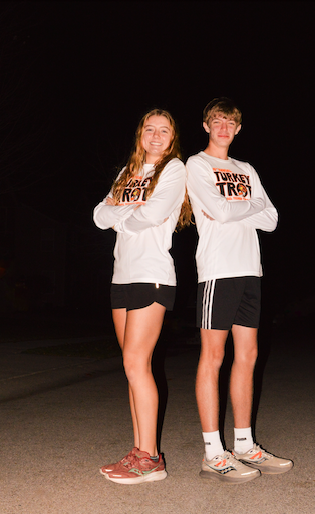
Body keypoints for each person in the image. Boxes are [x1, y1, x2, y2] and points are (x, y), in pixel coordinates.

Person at [186, 97, 293, 483]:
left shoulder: (245, 168)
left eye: (230, 122)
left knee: (247, 355)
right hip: (218, 270)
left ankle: (245, 445)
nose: (223, 127)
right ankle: (213, 452)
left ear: (238, 129)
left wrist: (238, 204)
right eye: (217, 121)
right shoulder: (197, 165)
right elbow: (229, 211)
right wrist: (248, 205)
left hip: (251, 270)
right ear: (206, 126)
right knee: (213, 357)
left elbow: (273, 219)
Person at [93, 108, 191, 484]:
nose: (155, 135)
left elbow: (150, 216)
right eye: (149, 129)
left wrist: (122, 213)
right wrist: (122, 211)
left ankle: (150, 458)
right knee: (133, 368)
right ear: (140, 135)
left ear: (172, 139)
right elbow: (99, 216)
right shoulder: (127, 173)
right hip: (123, 275)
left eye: (163, 130)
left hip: (152, 274)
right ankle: (139, 451)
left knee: (136, 363)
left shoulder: (173, 170)